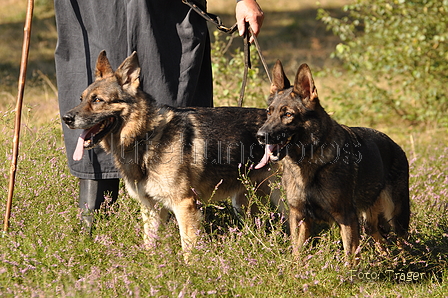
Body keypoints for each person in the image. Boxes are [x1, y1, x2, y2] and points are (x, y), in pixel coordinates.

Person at [54, 0, 264, 230]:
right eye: (84, 99)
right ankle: (93, 232)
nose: (82, 108)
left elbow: (185, 202)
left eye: (95, 101)